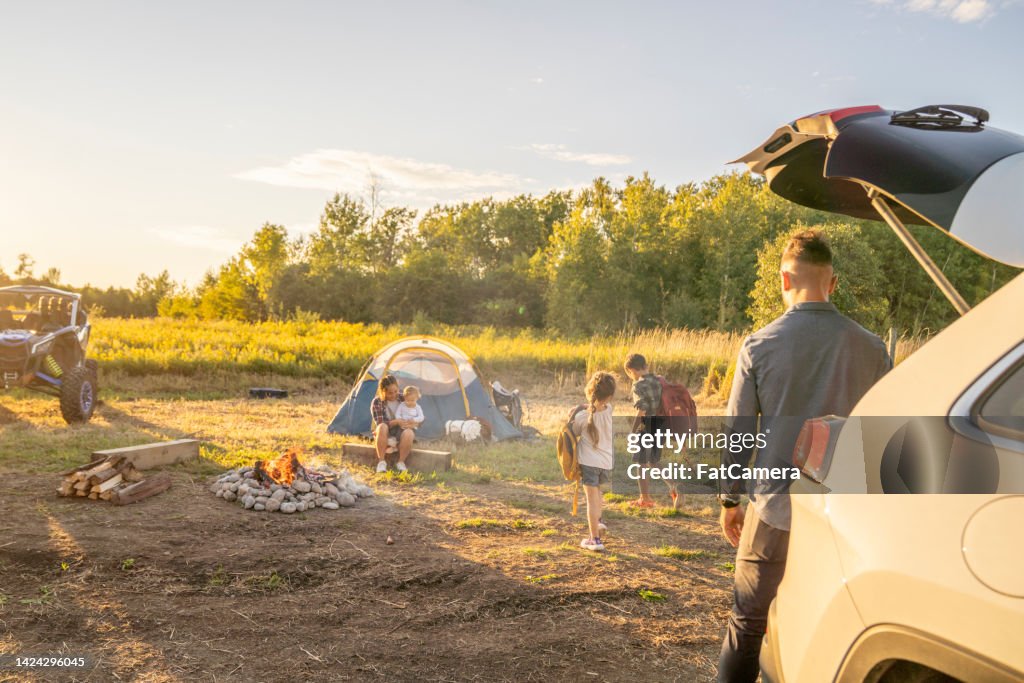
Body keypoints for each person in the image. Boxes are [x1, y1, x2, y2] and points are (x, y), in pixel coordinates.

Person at [716, 230, 891, 682]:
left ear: (783, 280)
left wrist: (729, 500)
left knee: (748, 623)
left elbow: (739, 433)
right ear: (832, 284)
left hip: (775, 511)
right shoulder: (873, 349)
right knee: (835, 628)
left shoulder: (758, 345)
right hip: (845, 517)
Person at [573, 371, 617, 552]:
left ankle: (595, 540)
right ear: (610, 396)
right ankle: (598, 522)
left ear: (589, 391)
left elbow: (573, 432)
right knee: (597, 493)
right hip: (606, 462)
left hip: (589, 462)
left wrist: (576, 412)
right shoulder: (610, 409)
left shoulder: (582, 417)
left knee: (591, 499)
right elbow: (597, 407)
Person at [623, 353, 662, 508]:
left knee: (641, 463)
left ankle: (644, 499)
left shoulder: (638, 386)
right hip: (659, 425)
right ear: (645, 365)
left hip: (646, 427)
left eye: (630, 373)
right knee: (653, 461)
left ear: (631, 370)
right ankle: (675, 486)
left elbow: (642, 411)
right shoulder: (658, 381)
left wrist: (633, 432)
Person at [370, 375, 416, 473]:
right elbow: (380, 422)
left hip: (400, 431)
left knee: (409, 433)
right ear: (383, 392)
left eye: (396, 391)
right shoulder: (377, 402)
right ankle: (381, 462)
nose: (394, 395)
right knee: (382, 427)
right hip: (385, 432)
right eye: (390, 393)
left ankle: (401, 462)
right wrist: (396, 421)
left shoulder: (403, 398)